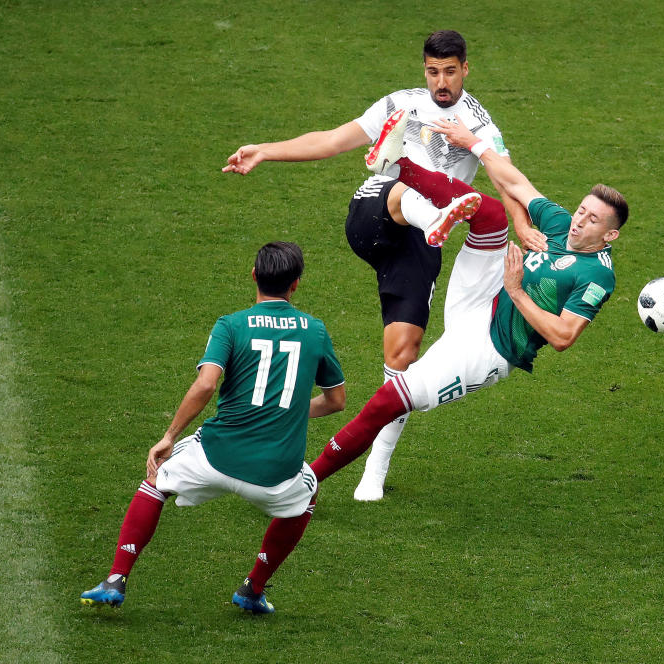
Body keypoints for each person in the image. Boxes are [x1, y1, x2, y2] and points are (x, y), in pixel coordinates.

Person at [223, 30, 535, 502]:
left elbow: (504, 178)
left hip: (419, 246)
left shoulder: (479, 124)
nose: (441, 81)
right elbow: (332, 140)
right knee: (409, 190)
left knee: (403, 359)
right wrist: (267, 149)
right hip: (376, 212)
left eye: (450, 71)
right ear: (424, 69)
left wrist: (521, 224)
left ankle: (374, 472)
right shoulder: (400, 105)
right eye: (433, 71)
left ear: (466, 69)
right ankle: (435, 212)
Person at [307, 117, 629, 487]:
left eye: (592, 221)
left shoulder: (597, 277)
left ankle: (310, 480)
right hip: (484, 292)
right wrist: (472, 143)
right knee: (491, 213)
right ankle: (399, 166)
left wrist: (517, 290)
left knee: (388, 400)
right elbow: (515, 182)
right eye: (581, 211)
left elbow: (563, 336)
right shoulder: (559, 223)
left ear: (610, 235)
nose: (579, 222)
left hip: (490, 347)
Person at [80, 242, 345, 615]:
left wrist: (169, 436)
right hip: (277, 476)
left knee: (156, 483)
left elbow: (206, 385)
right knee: (308, 496)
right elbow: (336, 401)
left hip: (215, 457)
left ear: (254, 275)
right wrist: (286, 412)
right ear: (296, 284)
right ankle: (253, 588)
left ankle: (116, 578)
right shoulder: (315, 331)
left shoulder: (231, 324)